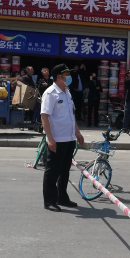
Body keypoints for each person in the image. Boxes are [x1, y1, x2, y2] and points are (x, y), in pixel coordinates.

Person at [40, 64, 84, 212]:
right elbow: (44, 117)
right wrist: (50, 139)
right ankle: (50, 201)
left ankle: (62, 197)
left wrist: (77, 133)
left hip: (69, 138)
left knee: (65, 170)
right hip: (57, 138)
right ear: (59, 76)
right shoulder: (50, 93)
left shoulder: (67, 92)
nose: (69, 77)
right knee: (53, 171)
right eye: (67, 74)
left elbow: (71, 116)